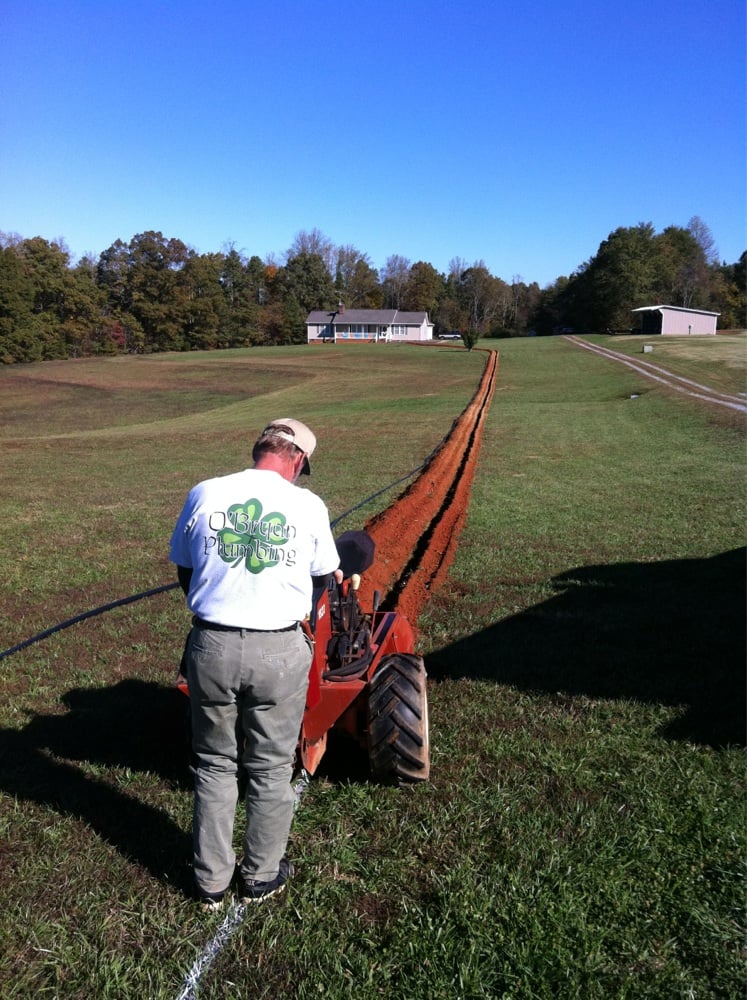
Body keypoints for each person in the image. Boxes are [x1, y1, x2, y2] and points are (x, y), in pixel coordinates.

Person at [169, 418, 342, 910]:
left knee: (213, 764)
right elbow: (322, 580)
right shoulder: (307, 505)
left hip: (211, 646)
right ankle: (261, 876)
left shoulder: (204, 491)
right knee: (269, 768)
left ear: (260, 449)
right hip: (279, 650)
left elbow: (185, 567)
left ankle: (210, 882)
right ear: (299, 460)